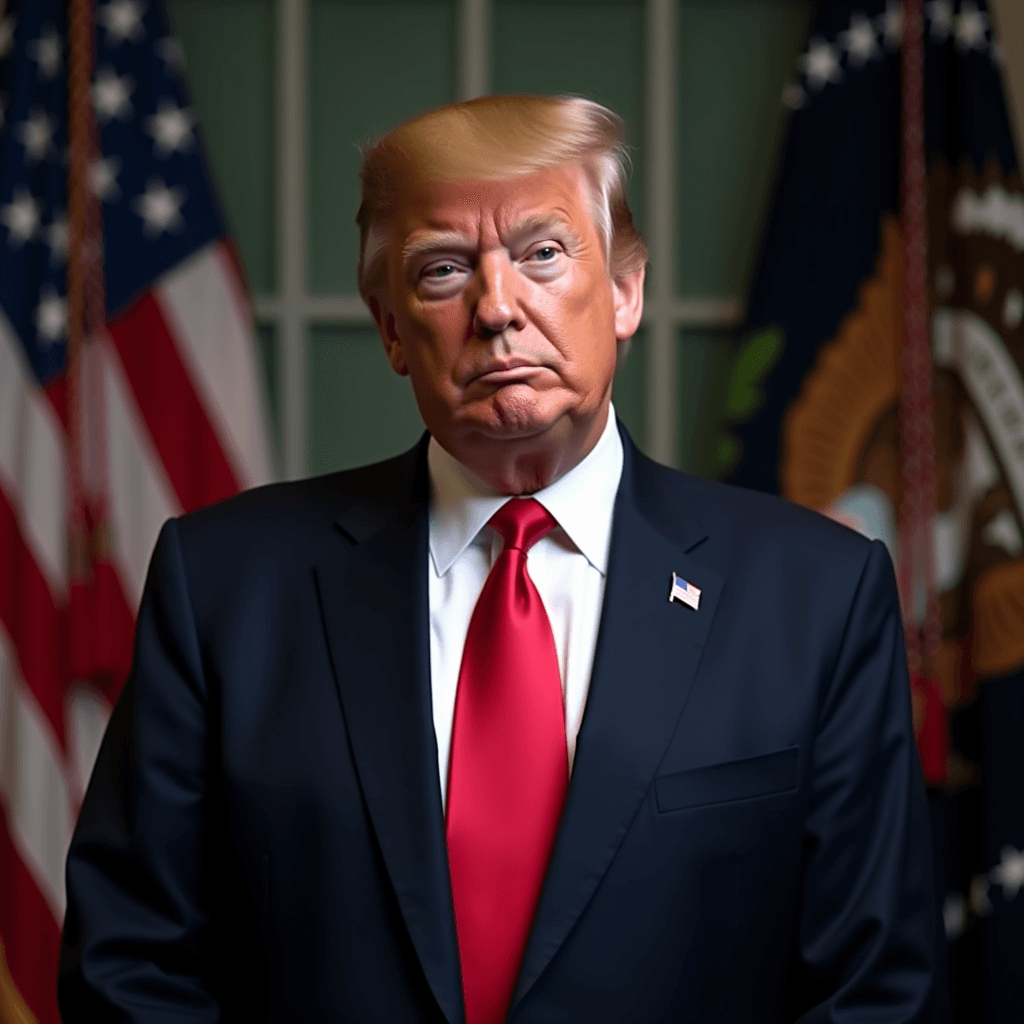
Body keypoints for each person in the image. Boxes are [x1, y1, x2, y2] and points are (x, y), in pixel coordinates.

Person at [58, 95, 935, 1023]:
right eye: (442, 270)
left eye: (542, 253)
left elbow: (874, 994)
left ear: (628, 290)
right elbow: (129, 969)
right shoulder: (226, 590)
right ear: (391, 329)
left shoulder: (819, 598)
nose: (498, 308)